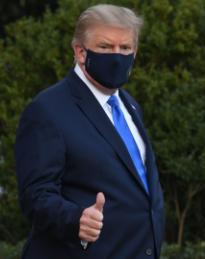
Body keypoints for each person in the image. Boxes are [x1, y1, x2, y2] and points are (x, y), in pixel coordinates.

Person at [14, 4, 165, 259]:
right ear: (80, 52)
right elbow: (36, 195)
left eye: (125, 48)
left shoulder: (129, 105)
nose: (117, 56)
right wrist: (76, 220)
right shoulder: (47, 109)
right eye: (105, 47)